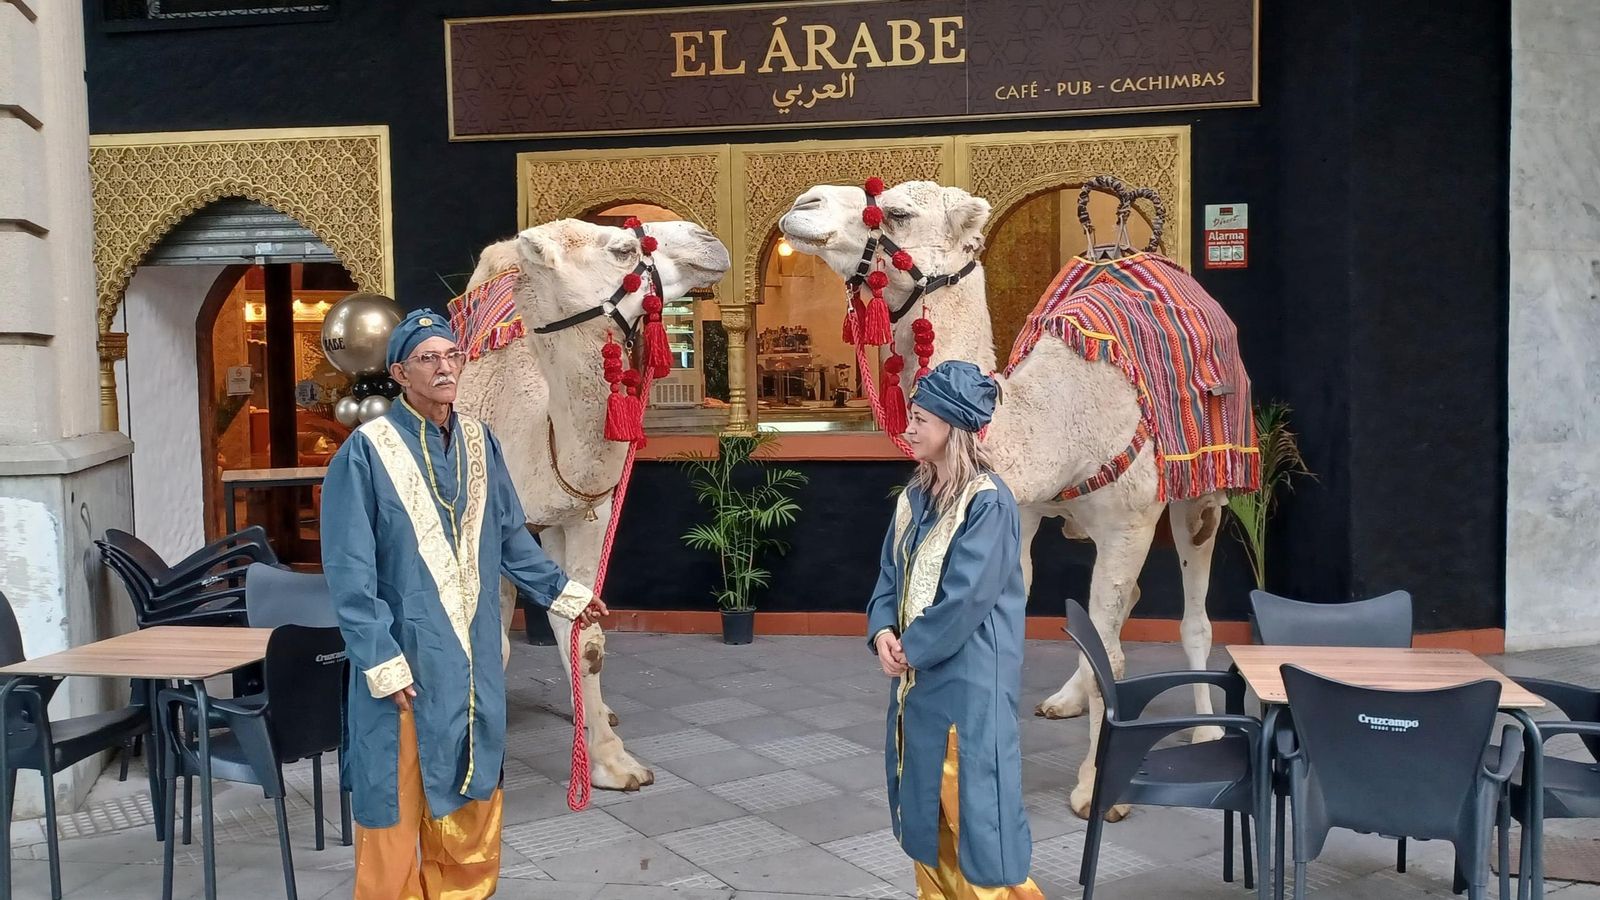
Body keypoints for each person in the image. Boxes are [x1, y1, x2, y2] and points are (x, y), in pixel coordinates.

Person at [321, 309, 607, 900]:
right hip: (405, 662)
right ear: (400, 372)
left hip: (473, 656)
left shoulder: (480, 442)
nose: (447, 367)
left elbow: (508, 537)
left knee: (473, 787)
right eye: (430, 359)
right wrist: (380, 661)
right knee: (397, 804)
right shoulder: (364, 454)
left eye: (453, 356)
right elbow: (352, 574)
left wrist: (566, 596)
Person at [866, 360, 1043, 900]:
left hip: (968, 682)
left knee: (975, 812)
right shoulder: (914, 498)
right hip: (916, 681)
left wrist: (909, 649)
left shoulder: (989, 503)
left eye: (920, 419)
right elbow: (887, 578)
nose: (909, 429)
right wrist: (881, 634)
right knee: (924, 808)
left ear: (951, 426)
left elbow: (964, 600)